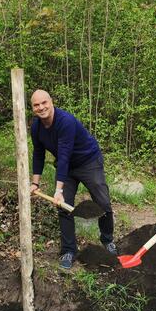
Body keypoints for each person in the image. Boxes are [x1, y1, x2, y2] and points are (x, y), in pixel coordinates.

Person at [29, 89, 116, 269]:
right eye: (36, 105)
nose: (41, 107)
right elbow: (38, 154)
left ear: (51, 102)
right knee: (63, 206)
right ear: (33, 108)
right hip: (66, 168)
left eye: (44, 102)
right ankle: (68, 250)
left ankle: (107, 240)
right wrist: (34, 183)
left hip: (88, 161)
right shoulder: (36, 127)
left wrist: (58, 190)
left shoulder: (65, 121)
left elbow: (65, 154)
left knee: (103, 202)